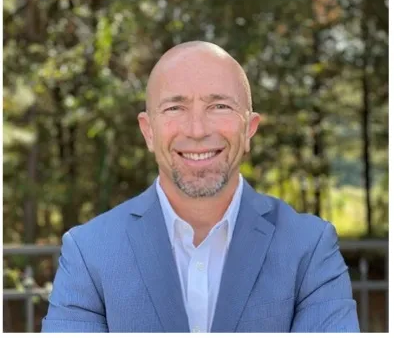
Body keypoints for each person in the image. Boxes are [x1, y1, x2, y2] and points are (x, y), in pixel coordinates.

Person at [41, 41, 360, 333]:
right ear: (148, 131)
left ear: (249, 129)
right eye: (175, 108)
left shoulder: (310, 248)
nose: (197, 130)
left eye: (219, 106)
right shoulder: (88, 251)